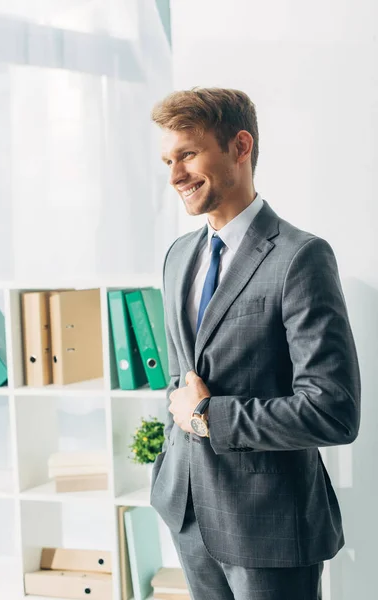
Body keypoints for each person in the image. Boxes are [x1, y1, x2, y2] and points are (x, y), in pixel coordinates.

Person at [149, 87, 361, 600]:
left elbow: (332, 412)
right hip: (187, 509)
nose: (175, 175)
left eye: (188, 155)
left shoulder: (300, 257)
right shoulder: (179, 255)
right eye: (168, 160)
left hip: (268, 525)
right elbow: (184, 380)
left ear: (240, 147)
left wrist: (207, 416)